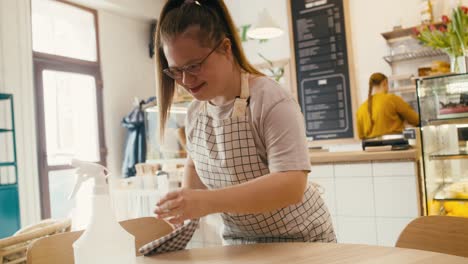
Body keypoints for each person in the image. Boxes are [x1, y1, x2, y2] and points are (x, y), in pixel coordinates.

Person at [152, 0, 336, 245]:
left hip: (302, 241)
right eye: (176, 71)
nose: (185, 79)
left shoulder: (269, 99)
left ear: (225, 48)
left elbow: (291, 184)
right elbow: (195, 165)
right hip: (240, 244)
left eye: (194, 66)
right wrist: (184, 205)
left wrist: (207, 202)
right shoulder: (196, 112)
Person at [356, 73, 419, 139]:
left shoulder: (361, 109)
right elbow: (415, 119)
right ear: (384, 83)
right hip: (396, 145)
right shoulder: (392, 99)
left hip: (371, 148)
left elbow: (361, 136)